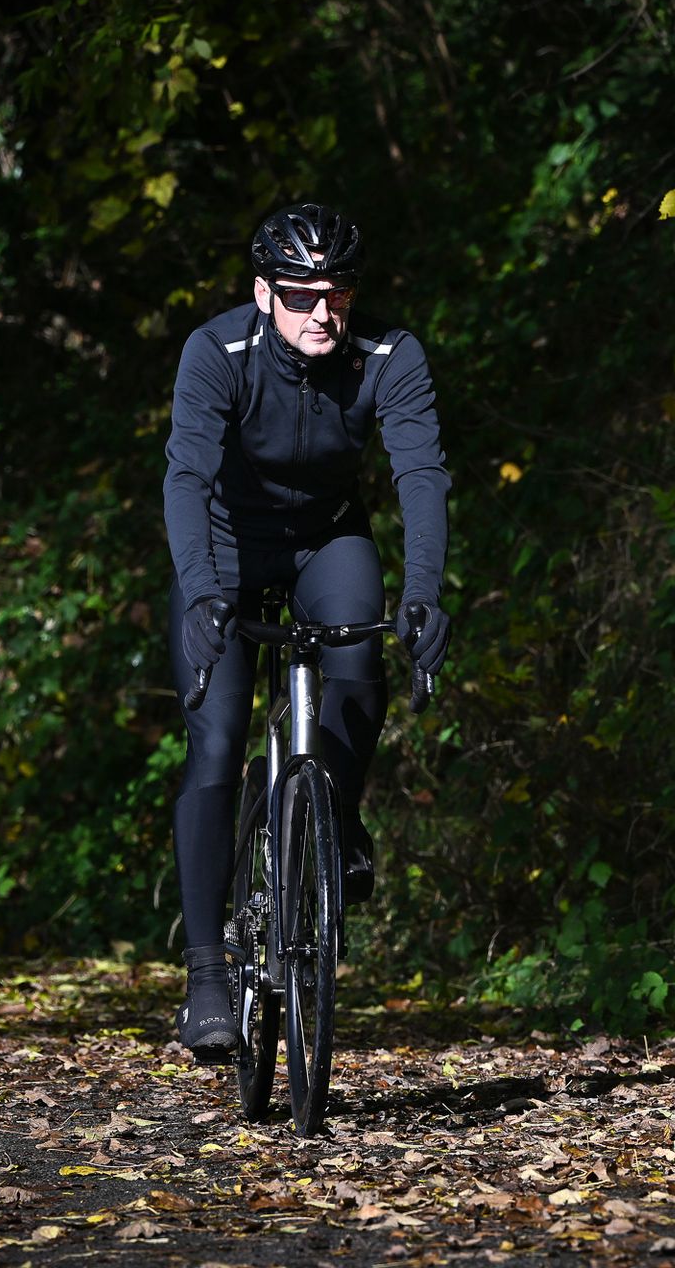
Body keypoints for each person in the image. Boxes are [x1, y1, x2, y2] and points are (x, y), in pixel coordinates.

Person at [163, 202, 451, 1057]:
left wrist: (426, 593)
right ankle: (208, 973)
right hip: (224, 541)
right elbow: (186, 474)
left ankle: (334, 817)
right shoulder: (218, 352)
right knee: (215, 744)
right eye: (299, 294)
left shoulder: (387, 357)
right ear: (264, 292)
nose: (321, 311)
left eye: (338, 293)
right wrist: (203, 592)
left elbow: (421, 472)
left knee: (362, 660)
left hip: (328, 534)